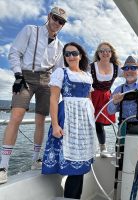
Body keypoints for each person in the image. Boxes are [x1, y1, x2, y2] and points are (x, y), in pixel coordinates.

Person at [0, 6, 67, 184]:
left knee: (40, 121)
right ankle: (3, 166)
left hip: (47, 80)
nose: (57, 23)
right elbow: (14, 52)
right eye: (55, 18)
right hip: (25, 76)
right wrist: (17, 75)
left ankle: (35, 160)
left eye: (61, 21)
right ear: (48, 16)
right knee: (17, 115)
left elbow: (59, 70)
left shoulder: (60, 46)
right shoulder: (30, 30)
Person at [42, 42, 96, 199]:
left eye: (74, 53)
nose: (71, 56)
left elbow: (89, 99)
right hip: (67, 116)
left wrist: (90, 120)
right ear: (64, 57)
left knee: (81, 164)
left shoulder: (87, 76)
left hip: (84, 122)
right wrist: (55, 124)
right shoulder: (61, 72)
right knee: (72, 166)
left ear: (80, 55)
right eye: (67, 54)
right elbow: (53, 99)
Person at [90, 42, 138, 157]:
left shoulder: (115, 68)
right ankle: (94, 146)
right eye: (102, 51)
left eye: (108, 51)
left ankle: (104, 146)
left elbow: (129, 74)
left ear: (111, 53)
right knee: (91, 121)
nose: (105, 53)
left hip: (106, 96)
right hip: (92, 95)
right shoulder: (91, 67)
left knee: (100, 122)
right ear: (98, 53)